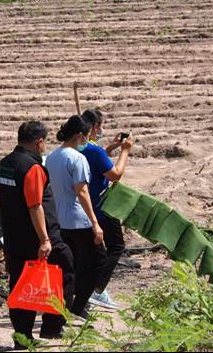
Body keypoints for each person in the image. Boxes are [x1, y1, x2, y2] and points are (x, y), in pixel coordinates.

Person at [0, 121, 75, 348]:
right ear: (39, 142)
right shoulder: (32, 168)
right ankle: (51, 327)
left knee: (19, 286)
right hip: (39, 238)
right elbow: (35, 205)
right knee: (64, 271)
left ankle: (22, 338)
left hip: (13, 239)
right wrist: (45, 239)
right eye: (44, 141)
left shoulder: (4, 165)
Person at [45, 115, 105, 319]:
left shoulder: (52, 156)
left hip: (59, 217)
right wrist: (95, 223)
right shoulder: (78, 158)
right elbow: (82, 192)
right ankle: (78, 306)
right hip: (79, 218)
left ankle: (68, 305)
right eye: (87, 136)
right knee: (96, 262)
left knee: (70, 265)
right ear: (80, 135)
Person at [80, 109, 133, 310]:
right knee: (116, 247)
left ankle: (88, 290)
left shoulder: (80, 146)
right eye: (100, 126)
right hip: (101, 207)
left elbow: (99, 154)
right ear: (94, 127)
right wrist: (125, 150)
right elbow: (115, 174)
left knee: (89, 252)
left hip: (85, 207)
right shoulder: (94, 150)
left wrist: (112, 146)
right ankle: (96, 290)